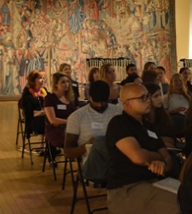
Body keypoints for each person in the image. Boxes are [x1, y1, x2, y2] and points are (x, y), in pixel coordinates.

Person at [105, 83, 178, 214]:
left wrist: (162, 165)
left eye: (148, 96)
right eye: (143, 98)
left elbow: (168, 160)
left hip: (154, 182)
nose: (148, 100)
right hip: (126, 187)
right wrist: (157, 156)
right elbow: (138, 157)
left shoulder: (149, 127)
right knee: (183, 204)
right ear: (127, 103)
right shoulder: (119, 123)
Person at [65, 80, 123, 181]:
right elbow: (68, 153)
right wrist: (86, 146)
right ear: (89, 97)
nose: (99, 105)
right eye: (96, 101)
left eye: (103, 101)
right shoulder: (77, 117)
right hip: (94, 165)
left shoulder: (119, 112)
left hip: (118, 160)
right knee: (100, 142)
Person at [44, 72, 78, 166]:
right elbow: (52, 120)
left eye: (67, 81)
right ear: (56, 84)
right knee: (71, 140)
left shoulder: (72, 97)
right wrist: (70, 122)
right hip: (55, 129)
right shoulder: (50, 98)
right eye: (63, 82)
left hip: (71, 127)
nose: (66, 84)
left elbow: (78, 114)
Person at [144, 83, 177, 149]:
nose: (160, 99)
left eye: (160, 95)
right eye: (156, 96)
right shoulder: (142, 117)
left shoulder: (163, 115)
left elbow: (172, 139)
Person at [21, 70, 47, 139]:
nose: (43, 80)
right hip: (33, 122)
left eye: (43, 78)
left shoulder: (44, 91)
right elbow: (28, 113)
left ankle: (50, 147)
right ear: (33, 80)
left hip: (44, 118)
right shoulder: (28, 95)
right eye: (40, 78)